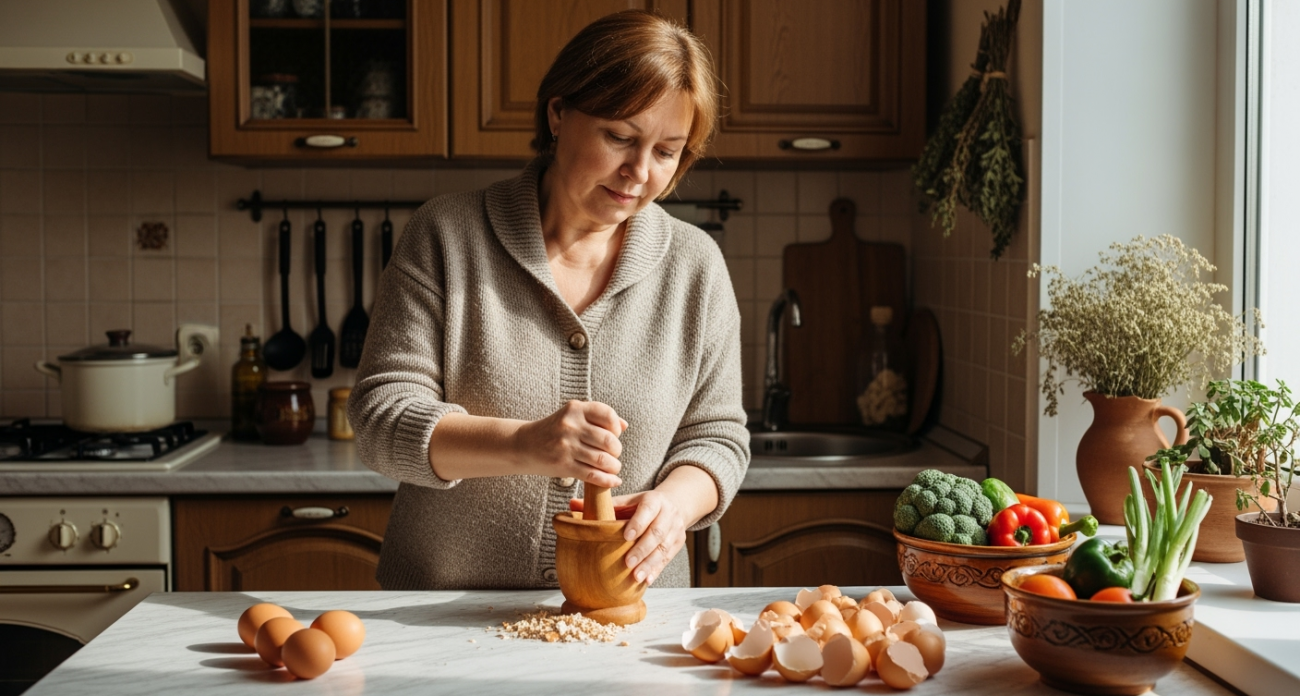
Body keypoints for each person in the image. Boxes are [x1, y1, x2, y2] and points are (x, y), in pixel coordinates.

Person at [348, 10, 749, 591]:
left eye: (667, 151)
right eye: (620, 137)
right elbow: (381, 419)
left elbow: (718, 437)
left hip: (630, 620)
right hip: (443, 615)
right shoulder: (447, 234)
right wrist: (524, 444)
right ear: (558, 114)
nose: (639, 172)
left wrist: (675, 506)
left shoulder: (695, 265)